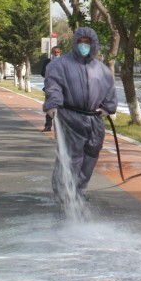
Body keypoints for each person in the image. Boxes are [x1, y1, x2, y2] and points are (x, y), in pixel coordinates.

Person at [42, 27, 118, 195]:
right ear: (75, 43)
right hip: (70, 116)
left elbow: (109, 90)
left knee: (92, 152)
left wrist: (108, 107)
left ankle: (78, 189)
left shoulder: (101, 69)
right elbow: (53, 85)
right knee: (72, 154)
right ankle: (64, 192)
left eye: (87, 42)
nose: (84, 45)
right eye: (80, 42)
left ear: (94, 44)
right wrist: (53, 104)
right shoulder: (60, 64)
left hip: (94, 119)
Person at [41, 46, 62, 131]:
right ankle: (48, 126)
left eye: (57, 52)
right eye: (54, 52)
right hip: (50, 87)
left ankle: (61, 127)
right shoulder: (47, 62)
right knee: (49, 106)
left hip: (61, 88)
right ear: (51, 53)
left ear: (60, 53)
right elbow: (42, 73)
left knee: (62, 107)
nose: (56, 54)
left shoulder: (64, 62)